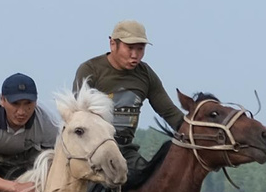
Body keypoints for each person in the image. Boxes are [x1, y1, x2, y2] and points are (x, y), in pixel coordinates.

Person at [71, 18, 187, 178]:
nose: (135, 55)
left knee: (151, 183)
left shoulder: (145, 74)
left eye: (140, 49)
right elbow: (78, 117)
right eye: (130, 48)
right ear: (113, 44)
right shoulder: (90, 70)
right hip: (93, 150)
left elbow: (170, 113)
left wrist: (195, 133)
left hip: (126, 151)